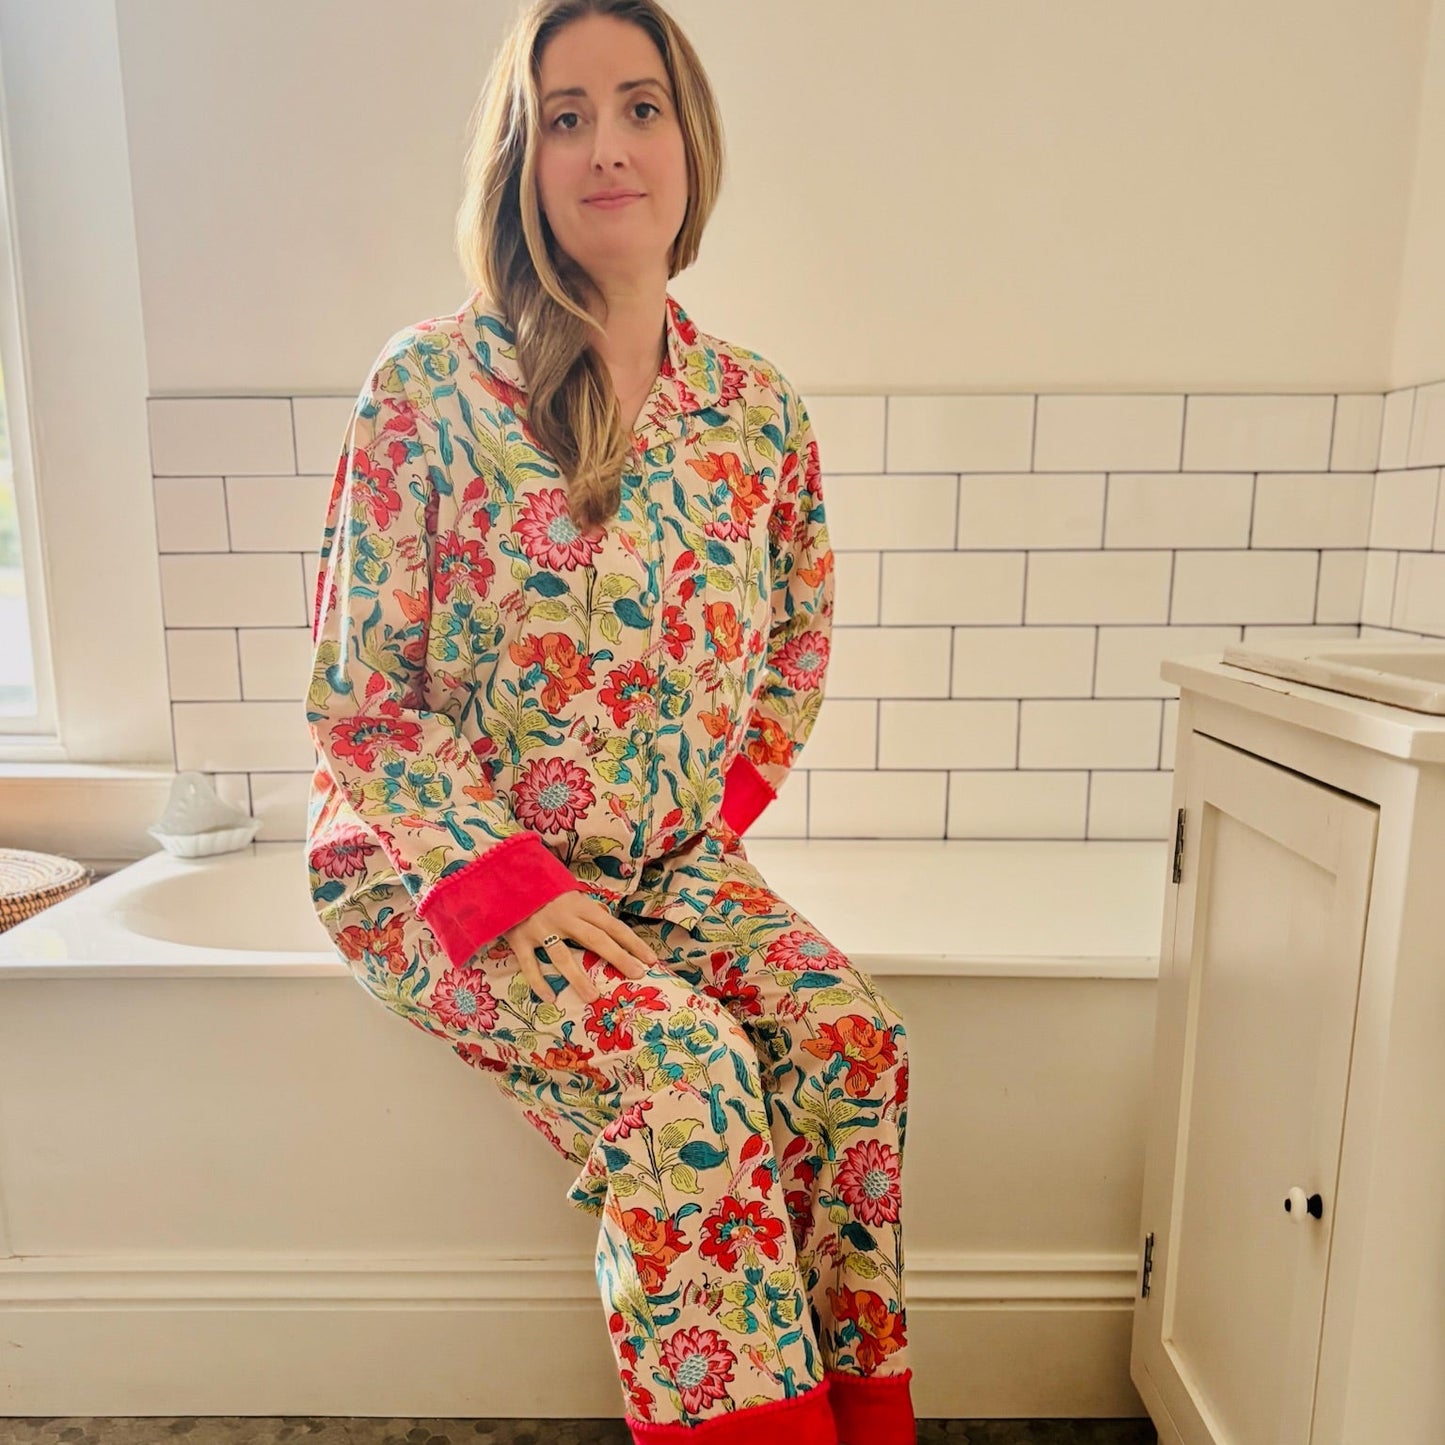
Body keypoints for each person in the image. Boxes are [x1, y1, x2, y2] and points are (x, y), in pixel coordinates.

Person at [303, 2, 913, 1440]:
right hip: (438, 868)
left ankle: (854, 1420)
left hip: (662, 861)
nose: (606, 146)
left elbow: (795, 647)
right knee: (684, 1073)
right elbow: (363, 701)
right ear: (520, 159)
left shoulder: (753, 410)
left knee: (847, 1040)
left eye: (638, 107)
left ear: (687, 142)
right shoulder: (431, 387)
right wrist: (510, 883)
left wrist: (703, 823)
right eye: (563, 116)